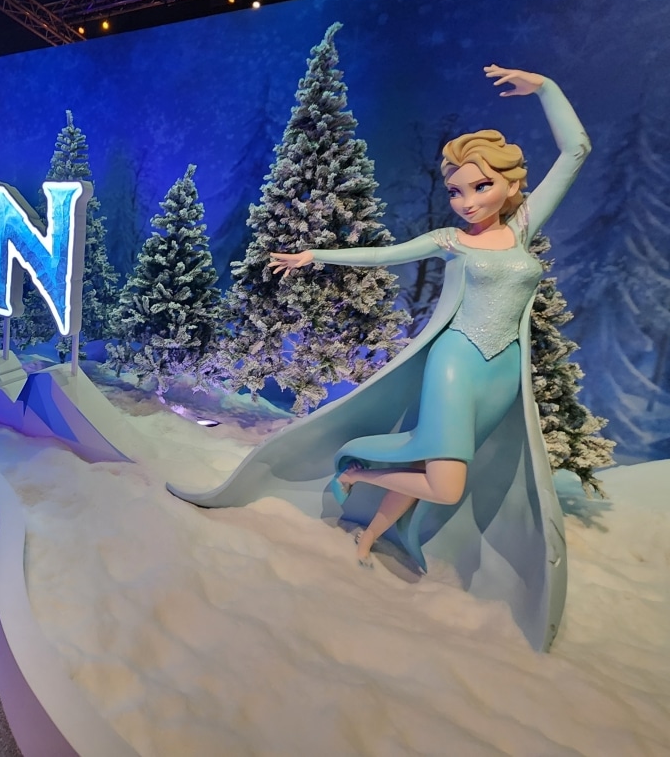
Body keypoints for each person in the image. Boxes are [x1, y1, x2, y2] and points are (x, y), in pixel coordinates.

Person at [168, 65, 590, 651]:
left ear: (511, 186)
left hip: (501, 373)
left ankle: (370, 536)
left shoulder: (520, 228)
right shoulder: (450, 241)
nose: (467, 201)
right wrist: (315, 255)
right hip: (456, 362)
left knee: (430, 468)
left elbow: (576, 150)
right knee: (446, 484)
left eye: (480, 187)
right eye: (457, 191)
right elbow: (383, 254)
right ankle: (357, 470)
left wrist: (544, 87)